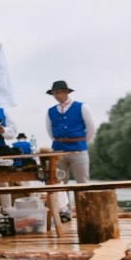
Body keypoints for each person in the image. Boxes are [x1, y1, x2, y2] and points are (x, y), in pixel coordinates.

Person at [45, 80, 97, 220]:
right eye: (54, 93)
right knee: (60, 182)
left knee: (82, 181)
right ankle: (64, 212)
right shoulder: (51, 111)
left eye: (59, 92)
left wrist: (81, 142)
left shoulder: (82, 107)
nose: (56, 95)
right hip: (58, 150)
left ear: (66, 92)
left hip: (78, 149)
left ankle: (86, 210)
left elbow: (91, 128)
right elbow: (50, 131)